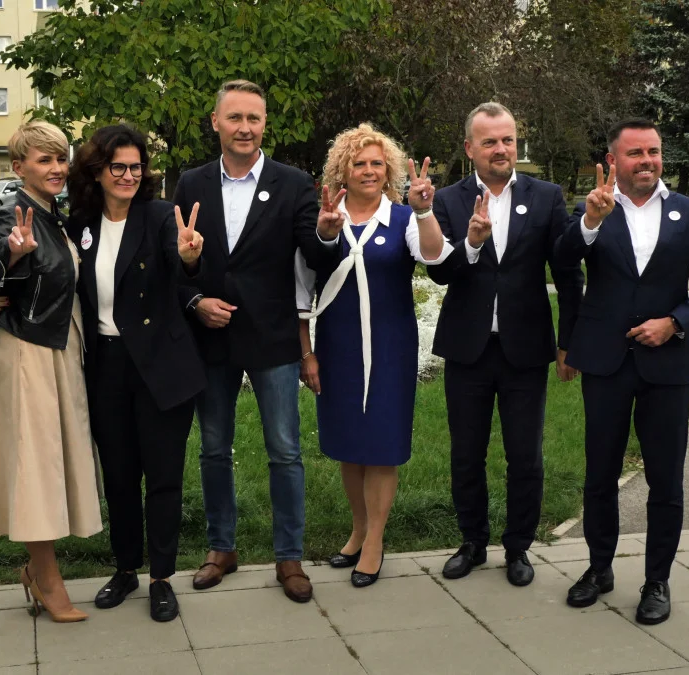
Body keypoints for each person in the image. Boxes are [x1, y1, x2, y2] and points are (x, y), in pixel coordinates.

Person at [555, 119, 689, 624]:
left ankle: (657, 580)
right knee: (600, 472)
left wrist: (676, 322)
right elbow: (562, 262)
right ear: (613, 161)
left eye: (653, 151)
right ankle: (599, 568)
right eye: (635, 153)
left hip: (666, 365)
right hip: (605, 362)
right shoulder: (593, 208)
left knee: (665, 478)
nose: (647, 161)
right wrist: (589, 223)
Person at [173, 79, 343, 603]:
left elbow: (316, 257)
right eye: (235, 117)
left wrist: (328, 232)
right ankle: (220, 548)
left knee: (285, 452)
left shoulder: (292, 183)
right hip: (211, 337)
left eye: (254, 118)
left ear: (265, 124)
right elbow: (174, 262)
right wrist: (194, 299)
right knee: (213, 449)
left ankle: (288, 557)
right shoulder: (190, 183)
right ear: (216, 122)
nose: (244, 127)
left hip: (272, 338)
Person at [426, 102, 584, 587]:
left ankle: (518, 547)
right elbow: (439, 272)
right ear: (470, 148)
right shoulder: (448, 200)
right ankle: (472, 542)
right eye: (490, 141)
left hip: (526, 348)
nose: (501, 149)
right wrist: (472, 244)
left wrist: (568, 340)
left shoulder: (546, 196)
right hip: (468, 347)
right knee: (466, 454)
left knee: (525, 456)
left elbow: (566, 270)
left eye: (508, 140)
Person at [294, 124, 451, 587]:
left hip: (390, 348)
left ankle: (375, 541)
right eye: (358, 163)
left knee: (381, 445)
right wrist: (307, 353)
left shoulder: (403, 219)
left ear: (389, 171)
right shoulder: (325, 218)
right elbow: (301, 290)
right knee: (349, 444)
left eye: (376, 163)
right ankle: (359, 529)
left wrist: (424, 211)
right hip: (337, 347)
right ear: (342, 170)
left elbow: (435, 257)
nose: (368, 171)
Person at [61, 124, 206, 622]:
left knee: (162, 478)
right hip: (105, 365)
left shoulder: (161, 216)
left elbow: (179, 261)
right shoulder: (80, 222)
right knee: (120, 477)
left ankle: (161, 577)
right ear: (98, 171)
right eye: (117, 167)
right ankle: (125, 569)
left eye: (136, 167)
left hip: (161, 366)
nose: (128, 175)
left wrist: (189, 257)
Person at [0, 120, 102, 626]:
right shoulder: (13, 211)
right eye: (45, 160)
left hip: (56, 349)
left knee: (51, 463)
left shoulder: (53, 214)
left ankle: (38, 572)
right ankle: (46, 578)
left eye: (61, 158)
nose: (57, 168)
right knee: (35, 468)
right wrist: (10, 252)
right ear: (19, 167)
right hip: (28, 354)